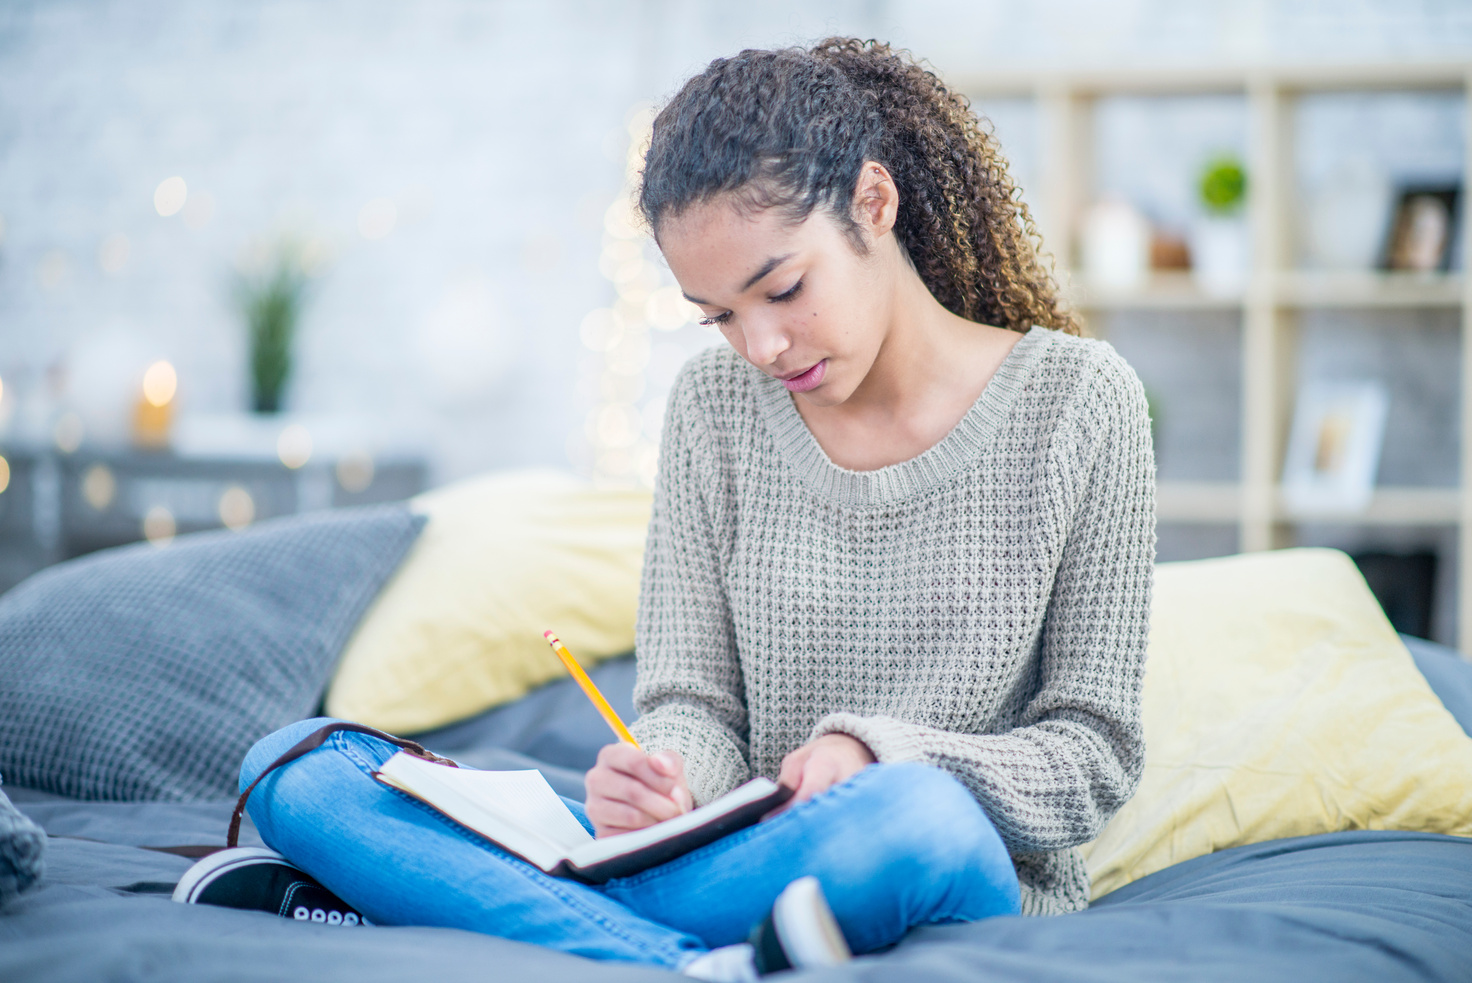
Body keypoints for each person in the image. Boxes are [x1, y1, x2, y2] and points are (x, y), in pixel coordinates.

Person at [174, 38, 1155, 981]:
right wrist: (668, 780)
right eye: (719, 315)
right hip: (724, 856)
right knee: (303, 763)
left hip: (916, 855)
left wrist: (875, 753)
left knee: (916, 811)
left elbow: (1092, 753)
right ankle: (696, 962)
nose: (760, 346)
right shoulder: (713, 410)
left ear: (873, 201)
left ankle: (464, 904)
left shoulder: (1079, 402)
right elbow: (688, 702)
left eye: (782, 288)